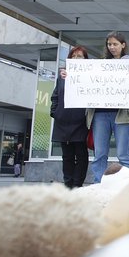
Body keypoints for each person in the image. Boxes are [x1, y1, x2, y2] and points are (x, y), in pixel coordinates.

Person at [86, 31, 129, 183]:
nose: (112, 47)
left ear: (123, 45)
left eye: (115, 44)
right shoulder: (100, 65)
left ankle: (125, 186)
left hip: (122, 115)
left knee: (123, 154)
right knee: (100, 153)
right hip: (100, 114)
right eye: (109, 44)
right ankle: (98, 183)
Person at [51, 46, 89, 188]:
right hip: (63, 120)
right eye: (74, 56)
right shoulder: (62, 76)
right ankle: (68, 184)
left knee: (81, 155)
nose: (76, 59)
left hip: (80, 121)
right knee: (67, 156)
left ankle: (77, 183)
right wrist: (55, 112)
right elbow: (55, 96)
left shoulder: (90, 76)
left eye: (80, 56)